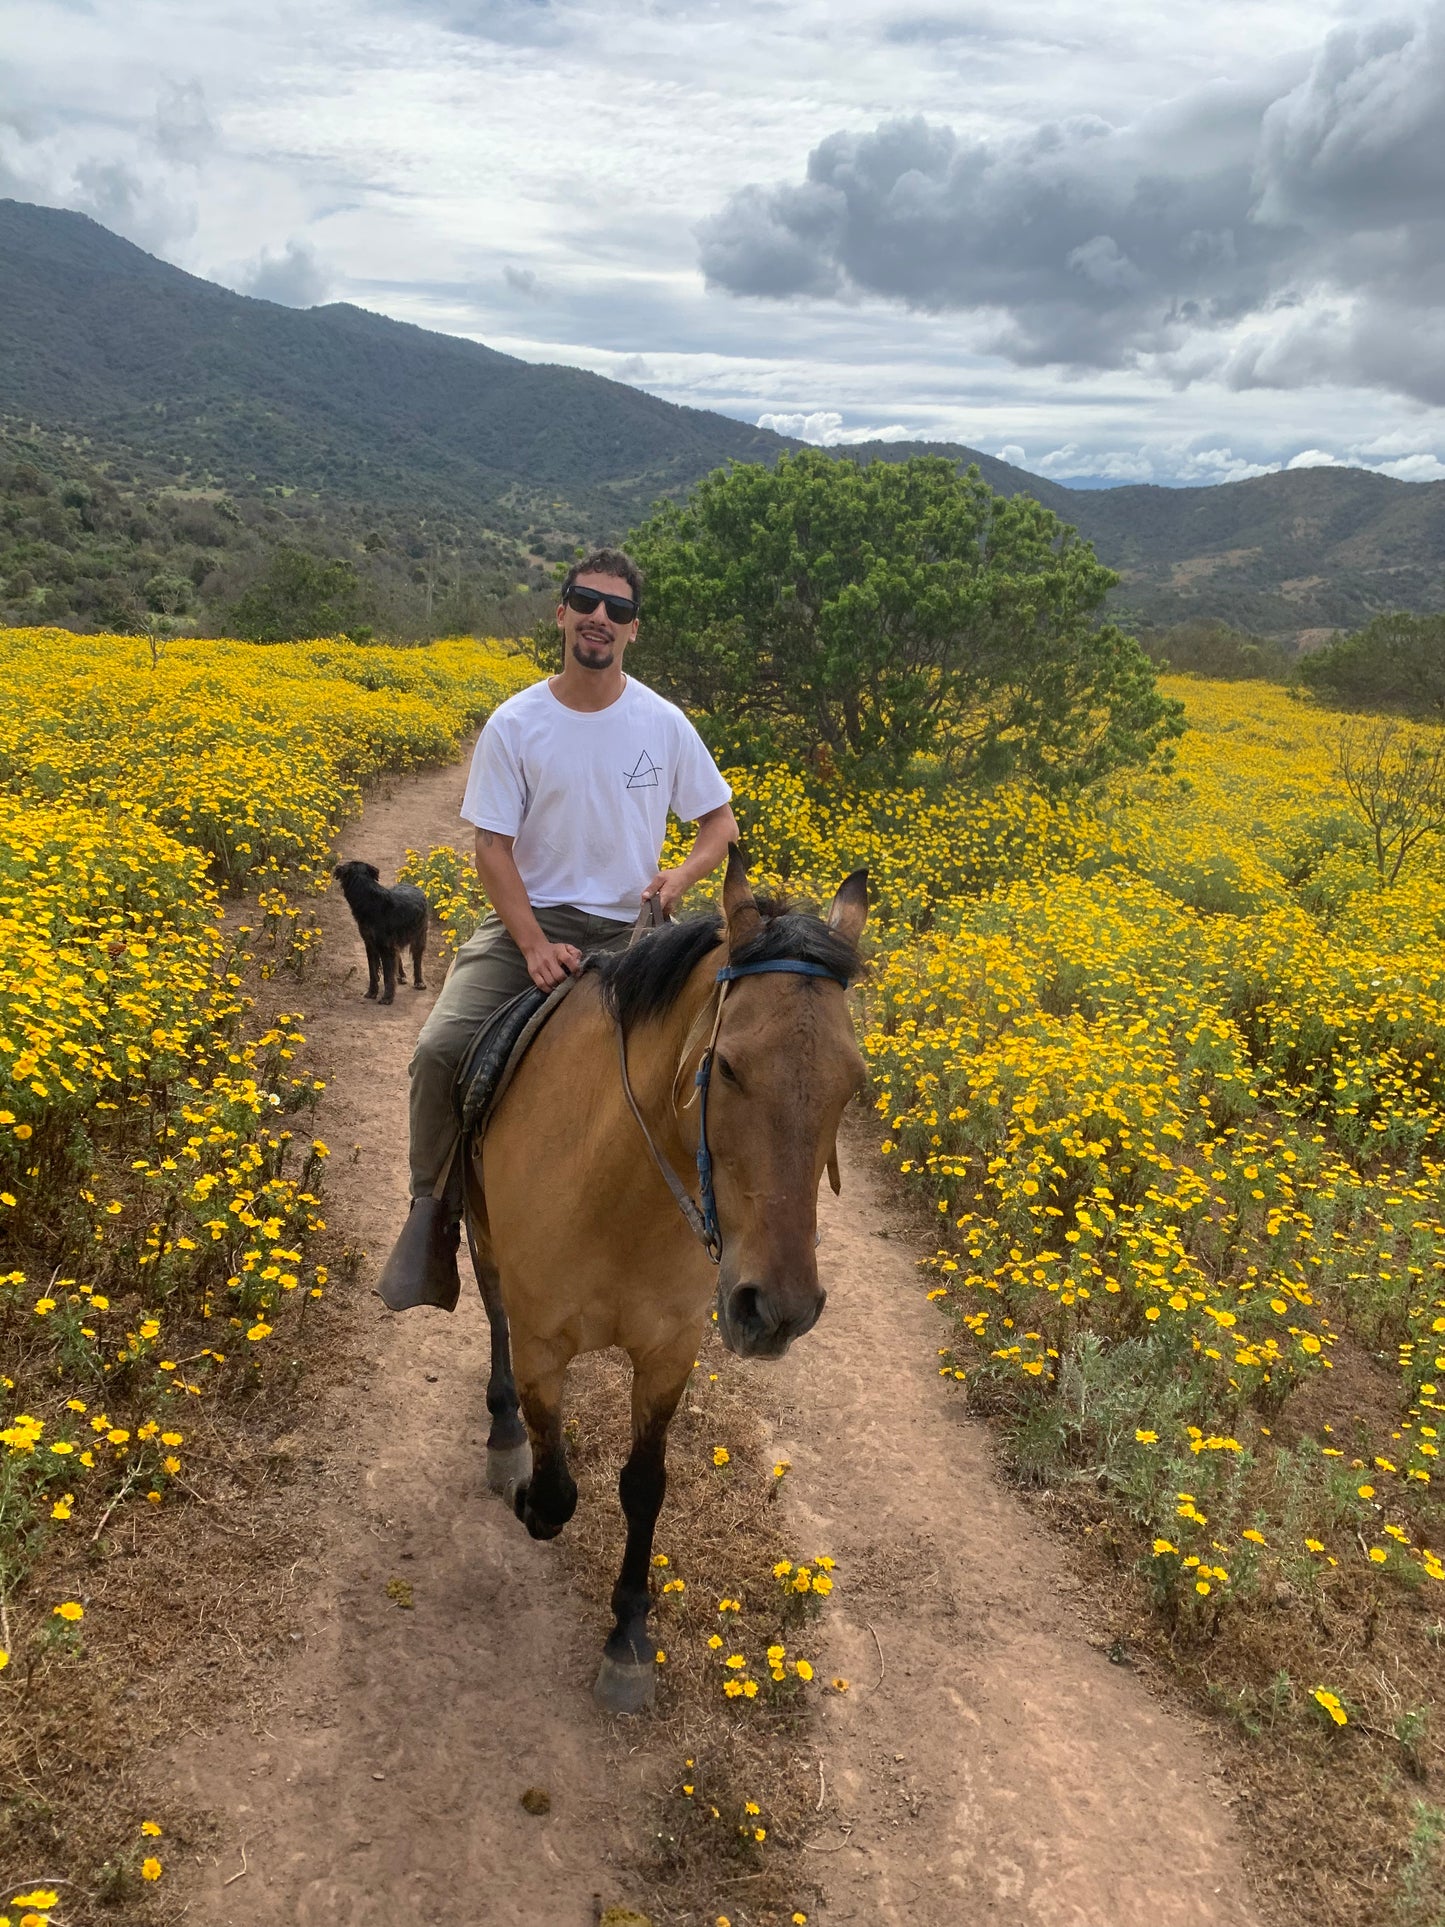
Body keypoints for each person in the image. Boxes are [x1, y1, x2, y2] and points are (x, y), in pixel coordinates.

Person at [378, 547, 739, 1312]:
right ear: (561, 612)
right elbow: (490, 848)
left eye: (617, 609)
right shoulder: (517, 722)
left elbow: (718, 822)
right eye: (586, 600)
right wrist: (535, 946)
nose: (599, 617)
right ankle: (430, 1212)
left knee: (724, 1056)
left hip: (633, 933)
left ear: (634, 629)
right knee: (439, 1047)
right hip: (528, 926)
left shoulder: (663, 723)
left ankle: (722, 1226)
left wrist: (678, 878)